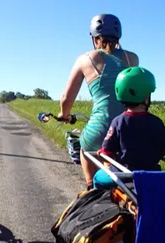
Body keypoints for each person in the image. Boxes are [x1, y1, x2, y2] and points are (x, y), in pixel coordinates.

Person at [56, 14, 139, 190]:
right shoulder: (133, 58)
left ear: (94, 39)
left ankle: (90, 190)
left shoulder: (85, 59)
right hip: (129, 129)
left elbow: (66, 98)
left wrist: (64, 115)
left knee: (85, 149)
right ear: (118, 37)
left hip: (99, 128)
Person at [100, 67, 165, 171]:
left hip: (125, 174)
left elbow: (107, 150)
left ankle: (92, 185)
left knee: (97, 179)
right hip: (152, 175)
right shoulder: (157, 122)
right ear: (146, 96)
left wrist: (104, 153)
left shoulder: (118, 121)